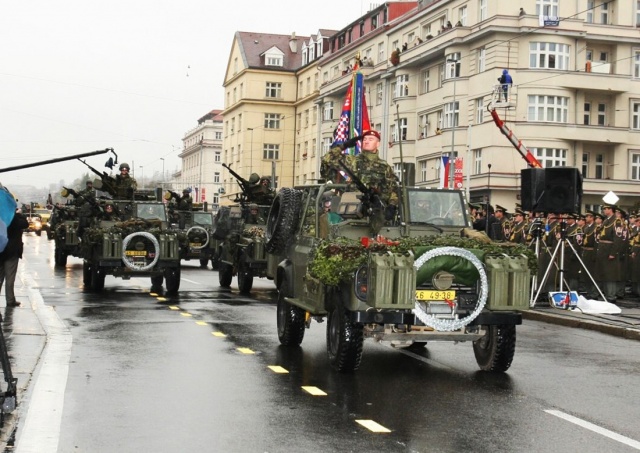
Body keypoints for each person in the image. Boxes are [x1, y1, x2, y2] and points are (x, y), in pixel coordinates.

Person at [320, 129, 400, 220]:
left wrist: (392, 205)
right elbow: (327, 159)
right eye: (365, 139)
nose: (366, 141)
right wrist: (344, 146)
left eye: (370, 139)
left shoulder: (385, 167)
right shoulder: (352, 161)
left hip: (376, 213)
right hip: (351, 210)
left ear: (378, 144)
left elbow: (393, 189)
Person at [0, 208, 29, 307]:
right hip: (11, 252)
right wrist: (18, 214)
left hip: (1, 251)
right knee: (10, 278)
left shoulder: (1, 217)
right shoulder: (13, 218)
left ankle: (10, 299)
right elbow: (25, 224)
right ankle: (10, 300)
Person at [595, 204, 619, 302]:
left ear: (611, 209)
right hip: (603, 248)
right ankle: (606, 295)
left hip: (609, 248)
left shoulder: (616, 221)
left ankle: (611, 296)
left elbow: (618, 238)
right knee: (603, 272)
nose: (604, 210)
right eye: (604, 209)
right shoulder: (606, 220)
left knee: (610, 274)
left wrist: (613, 252)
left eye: (606, 209)